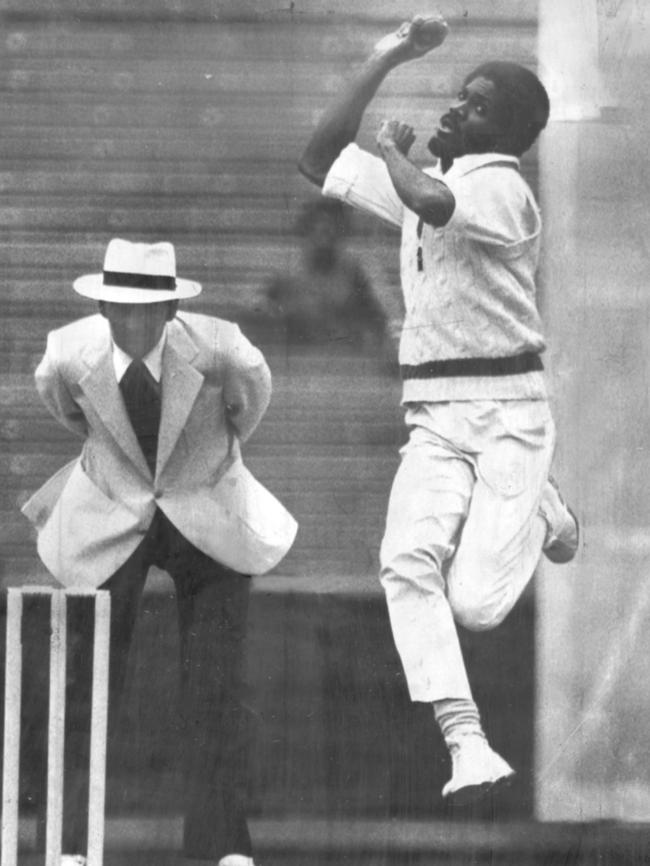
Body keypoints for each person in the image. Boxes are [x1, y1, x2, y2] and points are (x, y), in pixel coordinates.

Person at [298, 16, 579, 803]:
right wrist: (388, 53)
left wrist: (392, 150)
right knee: (405, 562)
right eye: (459, 96)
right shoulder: (438, 189)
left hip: (511, 413)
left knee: (479, 607)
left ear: (512, 134)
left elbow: (430, 194)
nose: (456, 110)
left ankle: (543, 504)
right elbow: (316, 157)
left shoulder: (502, 189)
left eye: (477, 106)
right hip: (434, 414)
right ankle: (466, 740)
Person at [21, 238, 298, 866]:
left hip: (206, 506)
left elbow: (248, 406)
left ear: (172, 310)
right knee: (85, 685)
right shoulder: (66, 355)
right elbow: (70, 415)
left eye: (148, 309)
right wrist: (127, 475)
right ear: (101, 306)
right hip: (110, 511)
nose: (133, 321)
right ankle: (67, 847)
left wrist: (198, 469)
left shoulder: (224, 347)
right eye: (119, 307)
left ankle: (223, 847)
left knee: (213, 687)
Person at [264, 197, 393, 349]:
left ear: (341, 232)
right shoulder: (287, 274)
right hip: (300, 359)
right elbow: (260, 310)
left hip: (348, 359)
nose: (324, 235)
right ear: (307, 230)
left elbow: (385, 315)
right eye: (317, 228)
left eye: (330, 229)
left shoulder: (358, 271)